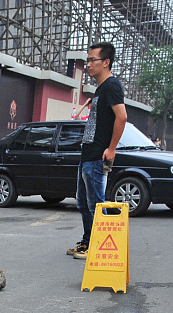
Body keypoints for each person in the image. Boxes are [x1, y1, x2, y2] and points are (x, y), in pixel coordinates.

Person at [68, 42, 127, 259]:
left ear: (106, 62)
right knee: (83, 202)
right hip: (88, 154)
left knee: (96, 205)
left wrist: (111, 149)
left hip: (98, 156)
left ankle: (100, 247)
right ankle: (87, 242)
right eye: (88, 60)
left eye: (93, 60)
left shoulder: (112, 86)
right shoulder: (100, 89)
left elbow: (122, 117)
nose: (88, 64)